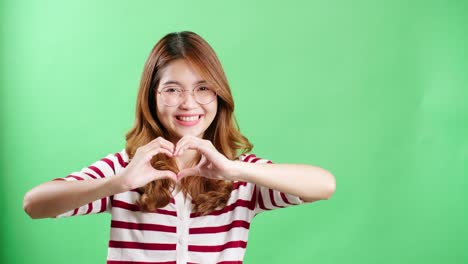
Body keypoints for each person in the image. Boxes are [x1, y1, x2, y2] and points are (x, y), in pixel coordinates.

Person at [23, 31, 336, 264]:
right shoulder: (127, 167)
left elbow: (323, 185)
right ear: (152, 97)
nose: (189, 103)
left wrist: (234, 168)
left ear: (219, 96)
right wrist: (119, 183)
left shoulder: (240, 176)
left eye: (203, 88)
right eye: (172, 89)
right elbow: (35, 205)